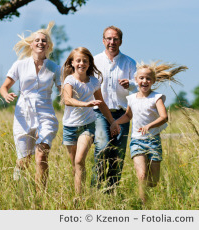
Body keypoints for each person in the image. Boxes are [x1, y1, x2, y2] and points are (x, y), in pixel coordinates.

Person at [110, 61, 188, 203]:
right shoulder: (131, 98)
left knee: (153, 181)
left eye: (148, 78)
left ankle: (149, 194)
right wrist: (116, 122)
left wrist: (150, 126)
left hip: (153, 141)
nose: (144, 81)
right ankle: (143, 205)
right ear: (136, 80)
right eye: (141, 78)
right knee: (141, 175)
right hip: (137, 141)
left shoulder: (156, 98)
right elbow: (128, 116)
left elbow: (164, 117)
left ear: (153, 81)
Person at [0, 21, 61, 190]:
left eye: (44, 41)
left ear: (48, 46)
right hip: (23, 115)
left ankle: (40, 196)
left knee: (41, 158)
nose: (40, 43)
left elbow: (64, 90)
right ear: (31, 44)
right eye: (37, 40)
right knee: (23, 161)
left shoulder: (55, 68)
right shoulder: (20, 65)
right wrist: (6, 94)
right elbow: (4, 86)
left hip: (46, 115)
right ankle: (16, 188)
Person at [62, 47, 119, 194]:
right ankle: (77, 194)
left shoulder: (93, 81)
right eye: (78, 61)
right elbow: (67, 100)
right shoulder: (69, 80)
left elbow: (102, 103)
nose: (82, 63)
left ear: (89, 63)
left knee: (80, 160)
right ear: (72, 63)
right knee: (74, 165)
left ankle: (79, 198)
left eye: (85, 61)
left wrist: (112, 121)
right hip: (69, 127)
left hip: (87, 125)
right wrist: (85, 104)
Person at [92, 25, 137, 189]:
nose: (112, 42)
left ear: (121, 41)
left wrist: (130, 84)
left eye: (115, 39)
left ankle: (112, 190)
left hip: (122, 114)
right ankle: (95, 187)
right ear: (103, 41)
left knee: (117, 153)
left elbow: (139, 86)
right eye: (109, 38)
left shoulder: (129, 62)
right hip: (99, 113)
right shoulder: (94, 61)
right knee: (102, 148)